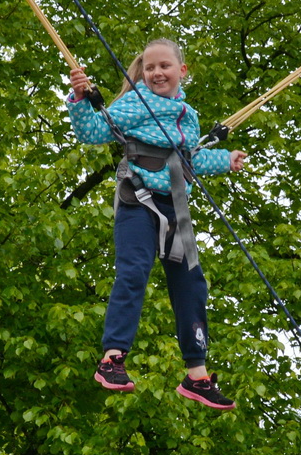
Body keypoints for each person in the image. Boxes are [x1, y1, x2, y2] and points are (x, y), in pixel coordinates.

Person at [67, 38, 247, 410]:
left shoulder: (189, 115)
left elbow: (190, 159)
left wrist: (225, 159)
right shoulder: (136, 101)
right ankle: (112, 357)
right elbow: (92, 132)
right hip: (138, 200)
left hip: (174, 206)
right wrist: (81, 100)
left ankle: (196, 375)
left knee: (192, 285)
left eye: (164, 66)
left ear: (182, 71)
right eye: (149, 68)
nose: (156, 73)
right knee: (133, 271)